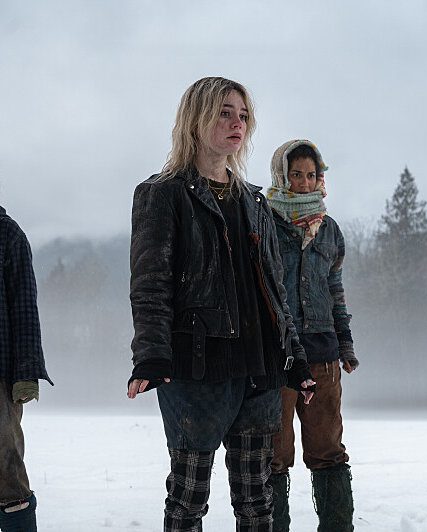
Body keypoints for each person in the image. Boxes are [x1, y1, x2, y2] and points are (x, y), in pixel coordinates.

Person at [127, 77, 315, 532]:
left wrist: (295, 358)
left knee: (257, 503)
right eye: (225, 113)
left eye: (243, 116)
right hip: (197, 370)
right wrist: (151, 355)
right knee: (188, 499)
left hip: (258, 370)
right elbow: (150, 285)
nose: (238, 124)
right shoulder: (163, 194)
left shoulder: (254, 201)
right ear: (196, 120)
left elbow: (275, 291)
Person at [266, 140, 358, 532]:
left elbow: (335, 290)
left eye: (311, 175)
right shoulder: (265, 222)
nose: (305, 183)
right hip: (277, 357)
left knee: (328, 451)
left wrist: (345, 343)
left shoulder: (329, 230)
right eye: (296, 175)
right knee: (273, 453)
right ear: (281, 176)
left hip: (323, 355)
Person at [0, 207, 52, 532]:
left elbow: (24, 309)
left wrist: (27, 372)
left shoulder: (8, 234)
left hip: (1, 374)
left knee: (6, 471)